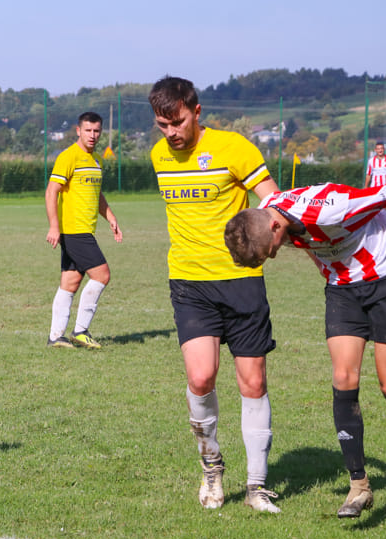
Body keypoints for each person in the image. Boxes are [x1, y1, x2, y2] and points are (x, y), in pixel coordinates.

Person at [224, 182, 386, 518]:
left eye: (270, 249)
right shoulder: (272, 210)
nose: (273, 254)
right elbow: (303, 238)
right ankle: (359, 486)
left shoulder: (333, 207)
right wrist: (321, 263)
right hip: (344, 287)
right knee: (343, 378)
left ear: (275, 225)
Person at [148, 76, 281, 513]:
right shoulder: (158, 156)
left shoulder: (235, 148)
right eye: (162, 125)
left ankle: (257, 486)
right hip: (188, 282)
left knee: (253, 382)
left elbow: (273, 201)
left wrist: (272, 237)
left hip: (241, 281)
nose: (171, 132)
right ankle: (211, 466)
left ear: (196, 111)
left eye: (178, 121)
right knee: (201, 378)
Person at [45, 111, 122, 349]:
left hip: (84, 230)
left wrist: (110, 217)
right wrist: (54, 226)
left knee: (69, 283)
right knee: (102, 275)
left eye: (97, 131)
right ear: (78, 130)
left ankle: (55, 337)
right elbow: (51, 191)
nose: (93, 135)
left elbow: (95, 194)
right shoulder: (69, 157)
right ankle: (80, 331)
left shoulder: (96, 159)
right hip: (74, 230)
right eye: (88, 130)